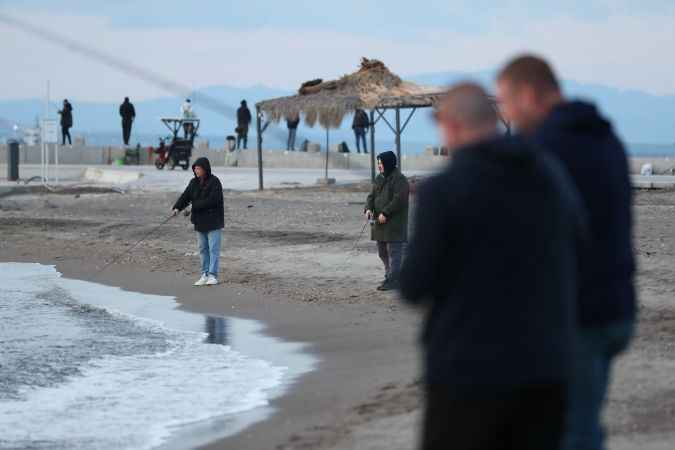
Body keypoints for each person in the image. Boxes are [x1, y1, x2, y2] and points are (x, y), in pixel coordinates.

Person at [399, 83, 587, 450]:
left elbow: (414, 286)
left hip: (466, 372)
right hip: (545, 367)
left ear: (451, 126)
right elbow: (580, 245)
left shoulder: (443, 191)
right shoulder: (548, 173)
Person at [496, 55, 636, 450]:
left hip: (575, 312)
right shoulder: (604, 138)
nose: (504, 113)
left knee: (569, 432)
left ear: (527, 94)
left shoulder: (543, 149)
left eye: (505, 101)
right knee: (581, 423)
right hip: (616, 306)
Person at [172, 157, 224, 287]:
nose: (196, 170)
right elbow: (185, 196)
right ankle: (205, 274)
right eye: (195, 168)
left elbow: (212, 201)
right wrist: (177, 207)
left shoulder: (215, 182)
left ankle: (213, 275)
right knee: (202, 249)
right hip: (200, 222)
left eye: (198, 168)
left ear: (205, 169)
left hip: (214, 221)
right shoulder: (193, 182)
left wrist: (192, 207)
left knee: (213, 249)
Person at [365, 150, 409, 291]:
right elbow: (370, 197)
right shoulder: (379, 178)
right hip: (379, 223)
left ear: (388, 163)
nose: (379, 166)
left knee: (394, 253)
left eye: (381, 163)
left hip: (394, 223)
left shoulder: (400, 179)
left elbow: (399, 199)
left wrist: (385, 212)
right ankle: (389, 275)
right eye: (378, 163)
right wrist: (368, 209)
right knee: (382, 252)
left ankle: (393, 279)